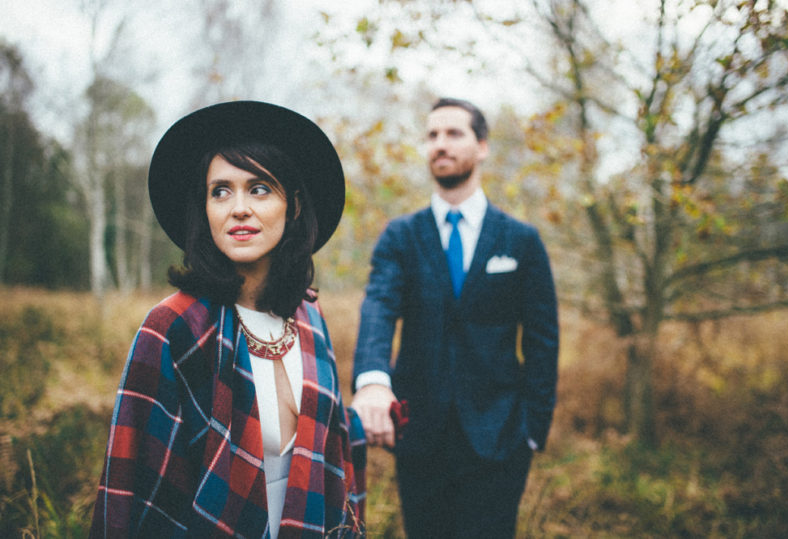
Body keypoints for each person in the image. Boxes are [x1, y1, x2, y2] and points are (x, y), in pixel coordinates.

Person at [90, 101, 365, 538]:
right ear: (205, 210)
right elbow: (134, 484)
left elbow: (332, 445)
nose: (238, 208)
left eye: (259, 189)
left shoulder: (310, 317)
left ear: (292, 206)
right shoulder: (172, 326)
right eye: (220, 191)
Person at [351, 97, 558, 538]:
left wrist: (533, 430)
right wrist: (372, 379)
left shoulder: (521, 241)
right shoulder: (401, 237)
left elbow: (543, 340)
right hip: (420, 439)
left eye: (453, 133)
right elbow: (379, 307)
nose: (439, 144)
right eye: (431, 136)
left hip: (500, 438)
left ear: (482, 146)